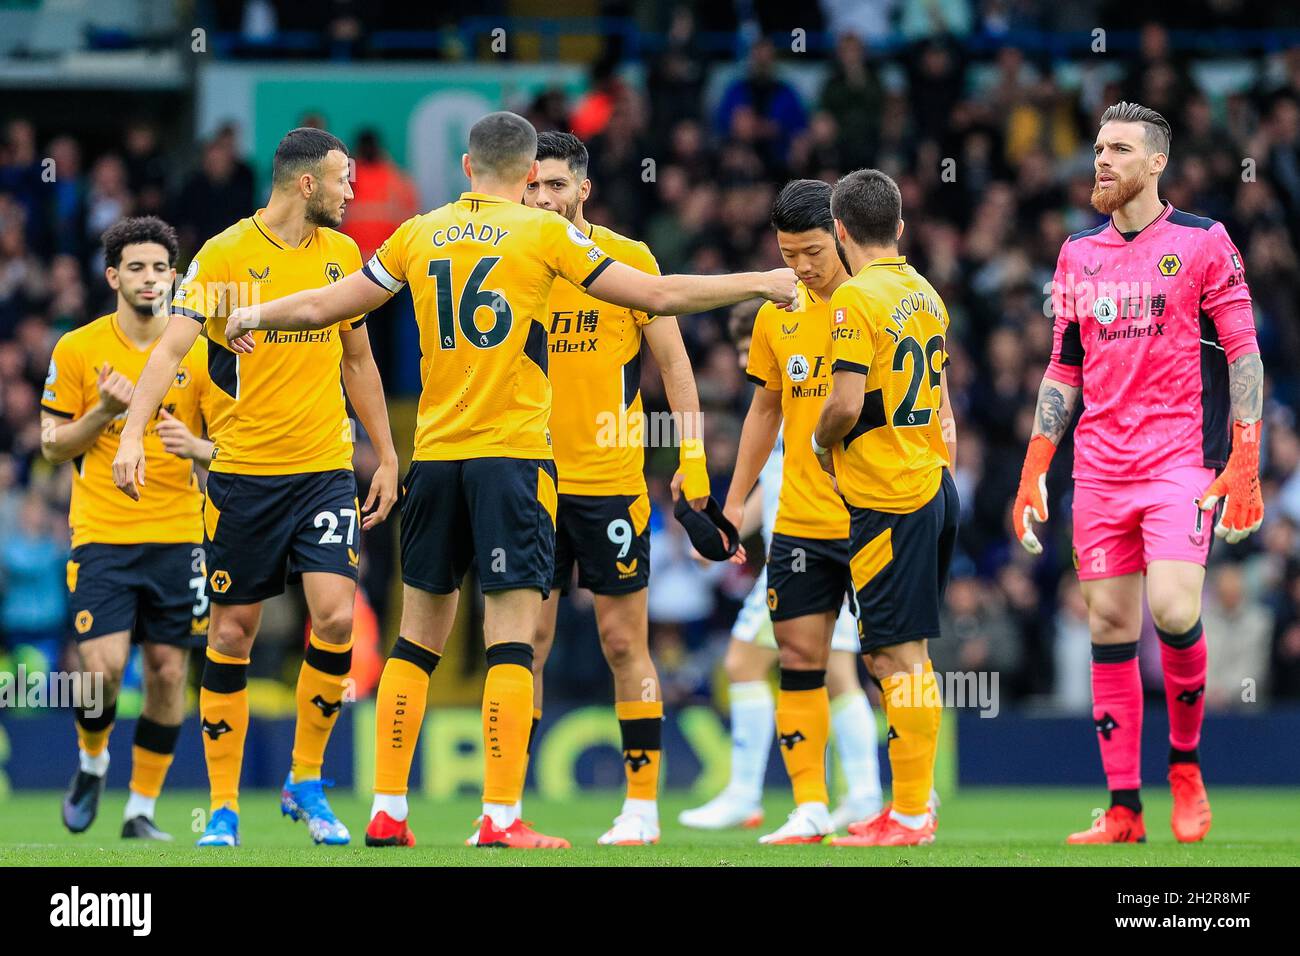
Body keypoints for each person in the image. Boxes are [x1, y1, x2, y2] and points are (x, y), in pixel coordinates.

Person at [215, 111, 799, 850]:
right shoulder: (543, 236)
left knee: (415, 641)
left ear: (465, 168)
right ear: (527, 176)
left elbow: (329, 306)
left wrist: (254, 314)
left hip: (434, 458)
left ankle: (387, 808)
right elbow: (659, 297)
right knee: (514, 642)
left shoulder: (419, 232)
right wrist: (759, 281)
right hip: (514, 462)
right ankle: (499, 816)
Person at [111, 128, 400, 848]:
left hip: (324, 470)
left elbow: (358, 361)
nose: (352, 192)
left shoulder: (341, 257)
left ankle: (306, 781)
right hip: (243, 477)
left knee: (335, 617)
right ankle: (225, 805)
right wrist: (130, 433)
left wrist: (387, 453)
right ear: (307, 184)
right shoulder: (225, 255)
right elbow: (170, 348)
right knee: (233, 634)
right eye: (344, 180)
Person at [1013, 102, 1262, 845]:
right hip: (1099, 470)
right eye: (1096, 148)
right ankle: (1124, 808)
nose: (1101, 161)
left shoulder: (1205, 242)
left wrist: (1245, 458)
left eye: (1118, 149)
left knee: (1175, 609)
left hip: (1180, 460)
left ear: (1157, 163)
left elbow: (1244, 353)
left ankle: (1184, 767)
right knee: (1110, 624)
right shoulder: (1076, 255)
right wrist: (1034, 468)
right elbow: (1065, 367)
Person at [461, 130, 707, 847]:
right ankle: (503, 809)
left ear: (583, 190)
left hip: (610, 483)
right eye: (532, 186)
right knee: (522, 643)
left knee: (624, 642)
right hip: (527, 476)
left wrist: (691, 463)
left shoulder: (629, 262)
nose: (542, 198)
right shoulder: (509, 256)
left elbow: (677, 370)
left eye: (556, 187)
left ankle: (641, 806)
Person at [680, 182, 882, 843]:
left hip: (877, 511)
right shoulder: (777, 314)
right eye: (788, 253)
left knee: (889, 661)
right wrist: (733, 504)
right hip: (799, 518)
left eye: (813, 252)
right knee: (800, 658)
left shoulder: (877, 301)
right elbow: (764, 411)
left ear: (844, 235)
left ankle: (903, 802)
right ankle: (810, 806)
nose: (799, 268)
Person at [40, 216, 212, 841]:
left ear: (175, 276)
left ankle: (141, 809)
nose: (148, 278)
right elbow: (53, 446)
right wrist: (105, 414)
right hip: (102, 535)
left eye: (159, 268)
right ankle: (92, 763)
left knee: (169, 672)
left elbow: (232, 448)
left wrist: (194, 445)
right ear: (113, 277)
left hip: (179, 535)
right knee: (103, 669)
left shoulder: (198, 347)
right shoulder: (78, 349)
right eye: (135, 268)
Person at [812, 168, 958, 847]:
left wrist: (818, 443)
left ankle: (908, 815)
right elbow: (946, 413)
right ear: (899, 227)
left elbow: (843, 402)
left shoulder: (853, 300)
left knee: (894, 659)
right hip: (929, 483)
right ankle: (911, 804)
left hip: (888, 497)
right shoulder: (926, 296)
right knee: (904, 657)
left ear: (839, 231)